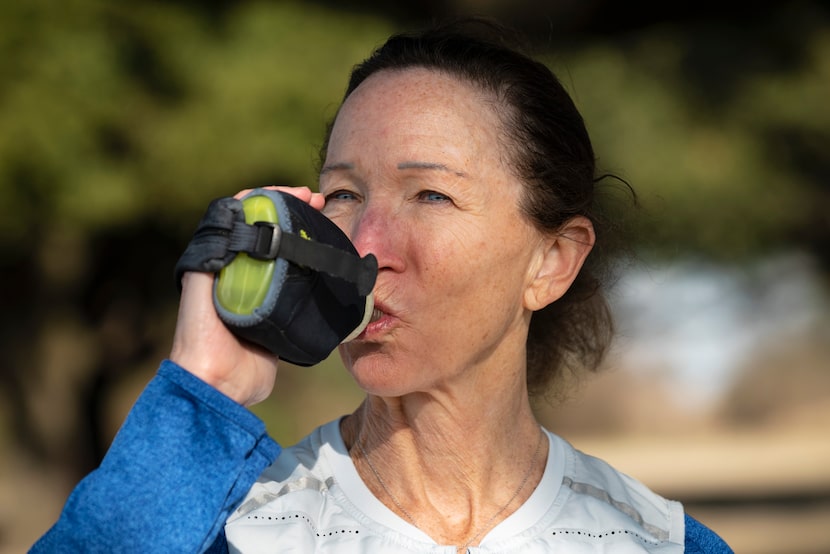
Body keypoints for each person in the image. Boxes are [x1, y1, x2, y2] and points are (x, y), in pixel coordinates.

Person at [31, 18, 733, 554]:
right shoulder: (229, 529)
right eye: (342, 195)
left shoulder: (656, 542)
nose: (364, 245)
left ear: (551, 261)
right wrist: (204, 389)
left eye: (429, 195)